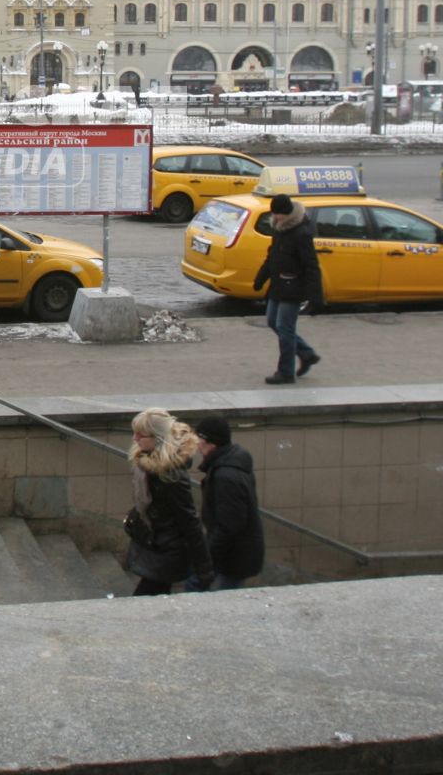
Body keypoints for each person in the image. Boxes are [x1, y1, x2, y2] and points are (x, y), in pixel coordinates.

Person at [123, 408, 214, 596]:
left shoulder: (171, 476)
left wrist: (204, 568)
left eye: (141, 435)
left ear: (157, 438)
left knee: (145, 597)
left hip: (167, 550)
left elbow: (190, 521)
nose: (135, 439)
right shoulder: (147, 461)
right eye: (135, 433)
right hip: (157, 543)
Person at [252, 194, 323, 385]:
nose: (275, 217)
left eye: (278, 214)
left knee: (285, 328)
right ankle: (307, 354)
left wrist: (315, 296)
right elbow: (272, 257)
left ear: (286, 213)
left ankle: (285, 372)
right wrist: (260, 278)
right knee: (273, 322)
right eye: (274, 213)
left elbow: (311, 265)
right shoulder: (280, 230)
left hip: (293, 288)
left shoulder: (301, 234)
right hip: (278, 286)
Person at [191, 415, 264, 590]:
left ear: (211, 444)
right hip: (237, 554)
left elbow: (229, 526)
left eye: (199, 439)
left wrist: (208, 558)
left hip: (233, 558)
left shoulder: (225, 477)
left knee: (199, 586)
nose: (196, 444)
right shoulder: (231, 462)